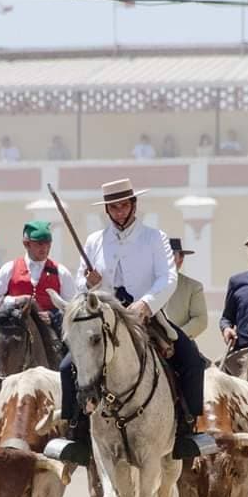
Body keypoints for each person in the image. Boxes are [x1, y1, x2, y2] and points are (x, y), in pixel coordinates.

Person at [45, 178, 212, 465]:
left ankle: (187, 430)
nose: (120, 211)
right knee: (67, 366)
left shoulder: (154, 238)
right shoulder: (94, 241)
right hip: (104, 321)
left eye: (124, 205)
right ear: (107, 210)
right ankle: (76, 434)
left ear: (133, 205)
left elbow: (168, 277)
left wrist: (146, 303)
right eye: (114, 207)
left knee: (192, 361)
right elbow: (79, 289)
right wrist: (91, 284)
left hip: (146, 316)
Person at [0, 221, 76, 332]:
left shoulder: (61, 272)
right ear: (26, 244)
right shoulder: (9, 269)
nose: (44, 248)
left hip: (51, 330)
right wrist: (15, 301)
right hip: (15, 330)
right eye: (39, 244)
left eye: (48, 243)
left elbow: (73, 307)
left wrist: (53, 316)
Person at [164, 238, 208, 340]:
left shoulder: (193, 287)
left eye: (171, 255)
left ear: (181, 259)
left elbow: (200, 320)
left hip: (181, 344)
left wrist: (176, 337)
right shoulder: (144, 285)